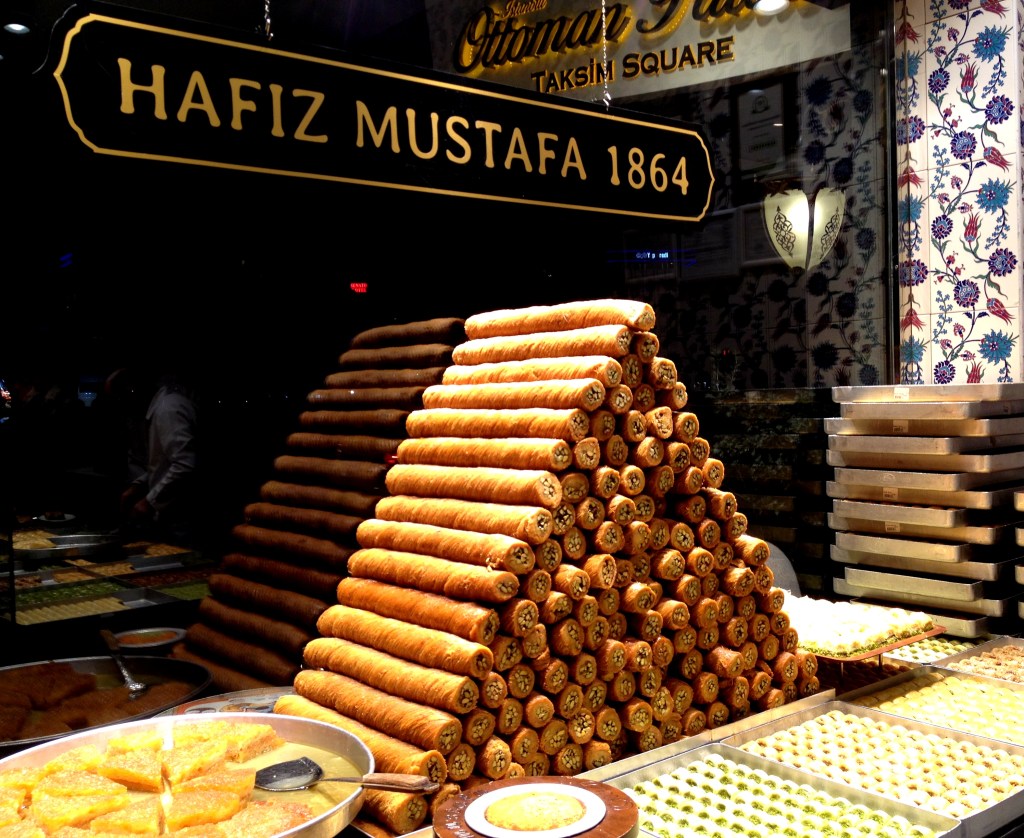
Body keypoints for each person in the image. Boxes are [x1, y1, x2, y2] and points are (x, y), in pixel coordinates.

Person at [118, 366, 201, 548]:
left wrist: (150, 501)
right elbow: (163, 462)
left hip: (181, 515)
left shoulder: (168, 410)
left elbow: (184, 464)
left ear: (133, 390)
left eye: (121, 397)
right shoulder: (160, 408)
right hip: (169, 513)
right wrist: (139, 485)